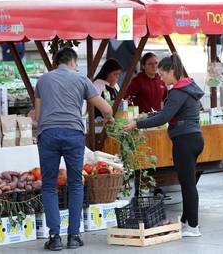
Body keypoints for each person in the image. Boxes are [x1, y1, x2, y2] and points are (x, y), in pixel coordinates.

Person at [35, 47, 113, 251]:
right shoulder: (81, 79)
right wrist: (109, 117)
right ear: (72, 62)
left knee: (49, 186)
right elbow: (105, 107)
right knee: (76, 184)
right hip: (73, 134)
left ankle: (54, 237)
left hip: (48, 134)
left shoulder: (43, 81)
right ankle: (73, 236)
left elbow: (37, 114)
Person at [124, 53, 205, 237]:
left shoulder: (178, 91)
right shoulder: (188, 87)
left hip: (185, 140)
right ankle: (186, 221)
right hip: (193, 138)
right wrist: (145, 117)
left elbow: (164, 117)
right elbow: (165, 112)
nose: (160, 77)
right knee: (187, 183)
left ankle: (193, 226)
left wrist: (137, 124)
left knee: (188, 185)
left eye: (162, 74)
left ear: (172, 71)